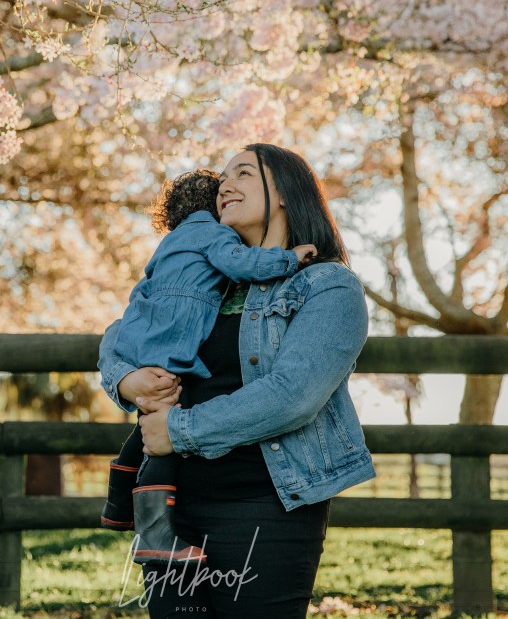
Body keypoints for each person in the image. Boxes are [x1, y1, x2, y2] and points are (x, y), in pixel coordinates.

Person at [99, 143, 375, 618]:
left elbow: (293, 396)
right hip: (170, 506)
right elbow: (122, 330)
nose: (225, 184)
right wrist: (126, 379)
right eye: (223, 178)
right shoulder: (203, 270)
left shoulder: (327, 286)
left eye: (244, 173)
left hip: (264, 505)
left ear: (286, 191)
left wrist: (177, 430)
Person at [98, 168, 319, 565]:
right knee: (163, 431)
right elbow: (240, 263)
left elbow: (136, 299)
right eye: (223, 188)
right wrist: (288, 259)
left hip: (143, 333)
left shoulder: (169, 244)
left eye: (244, 175)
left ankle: (117, 502)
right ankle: (153, 532)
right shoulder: (213, 234)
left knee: (150, 420)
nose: (228, 192)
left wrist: (130, 367)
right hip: (173, 341)